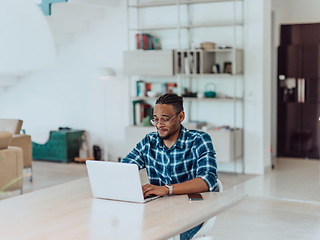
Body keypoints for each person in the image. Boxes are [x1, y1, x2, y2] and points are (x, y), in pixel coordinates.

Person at [121, 93, 218, 240]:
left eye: (165, 119)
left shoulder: (199, 140)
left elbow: (207, 180)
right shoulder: (149, 141)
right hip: (158, 210)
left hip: (191, 211)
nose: (159, 125)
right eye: (156, 119)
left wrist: (167, 189)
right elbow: (124, 168)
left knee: (163, 235)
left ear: (181, 116)